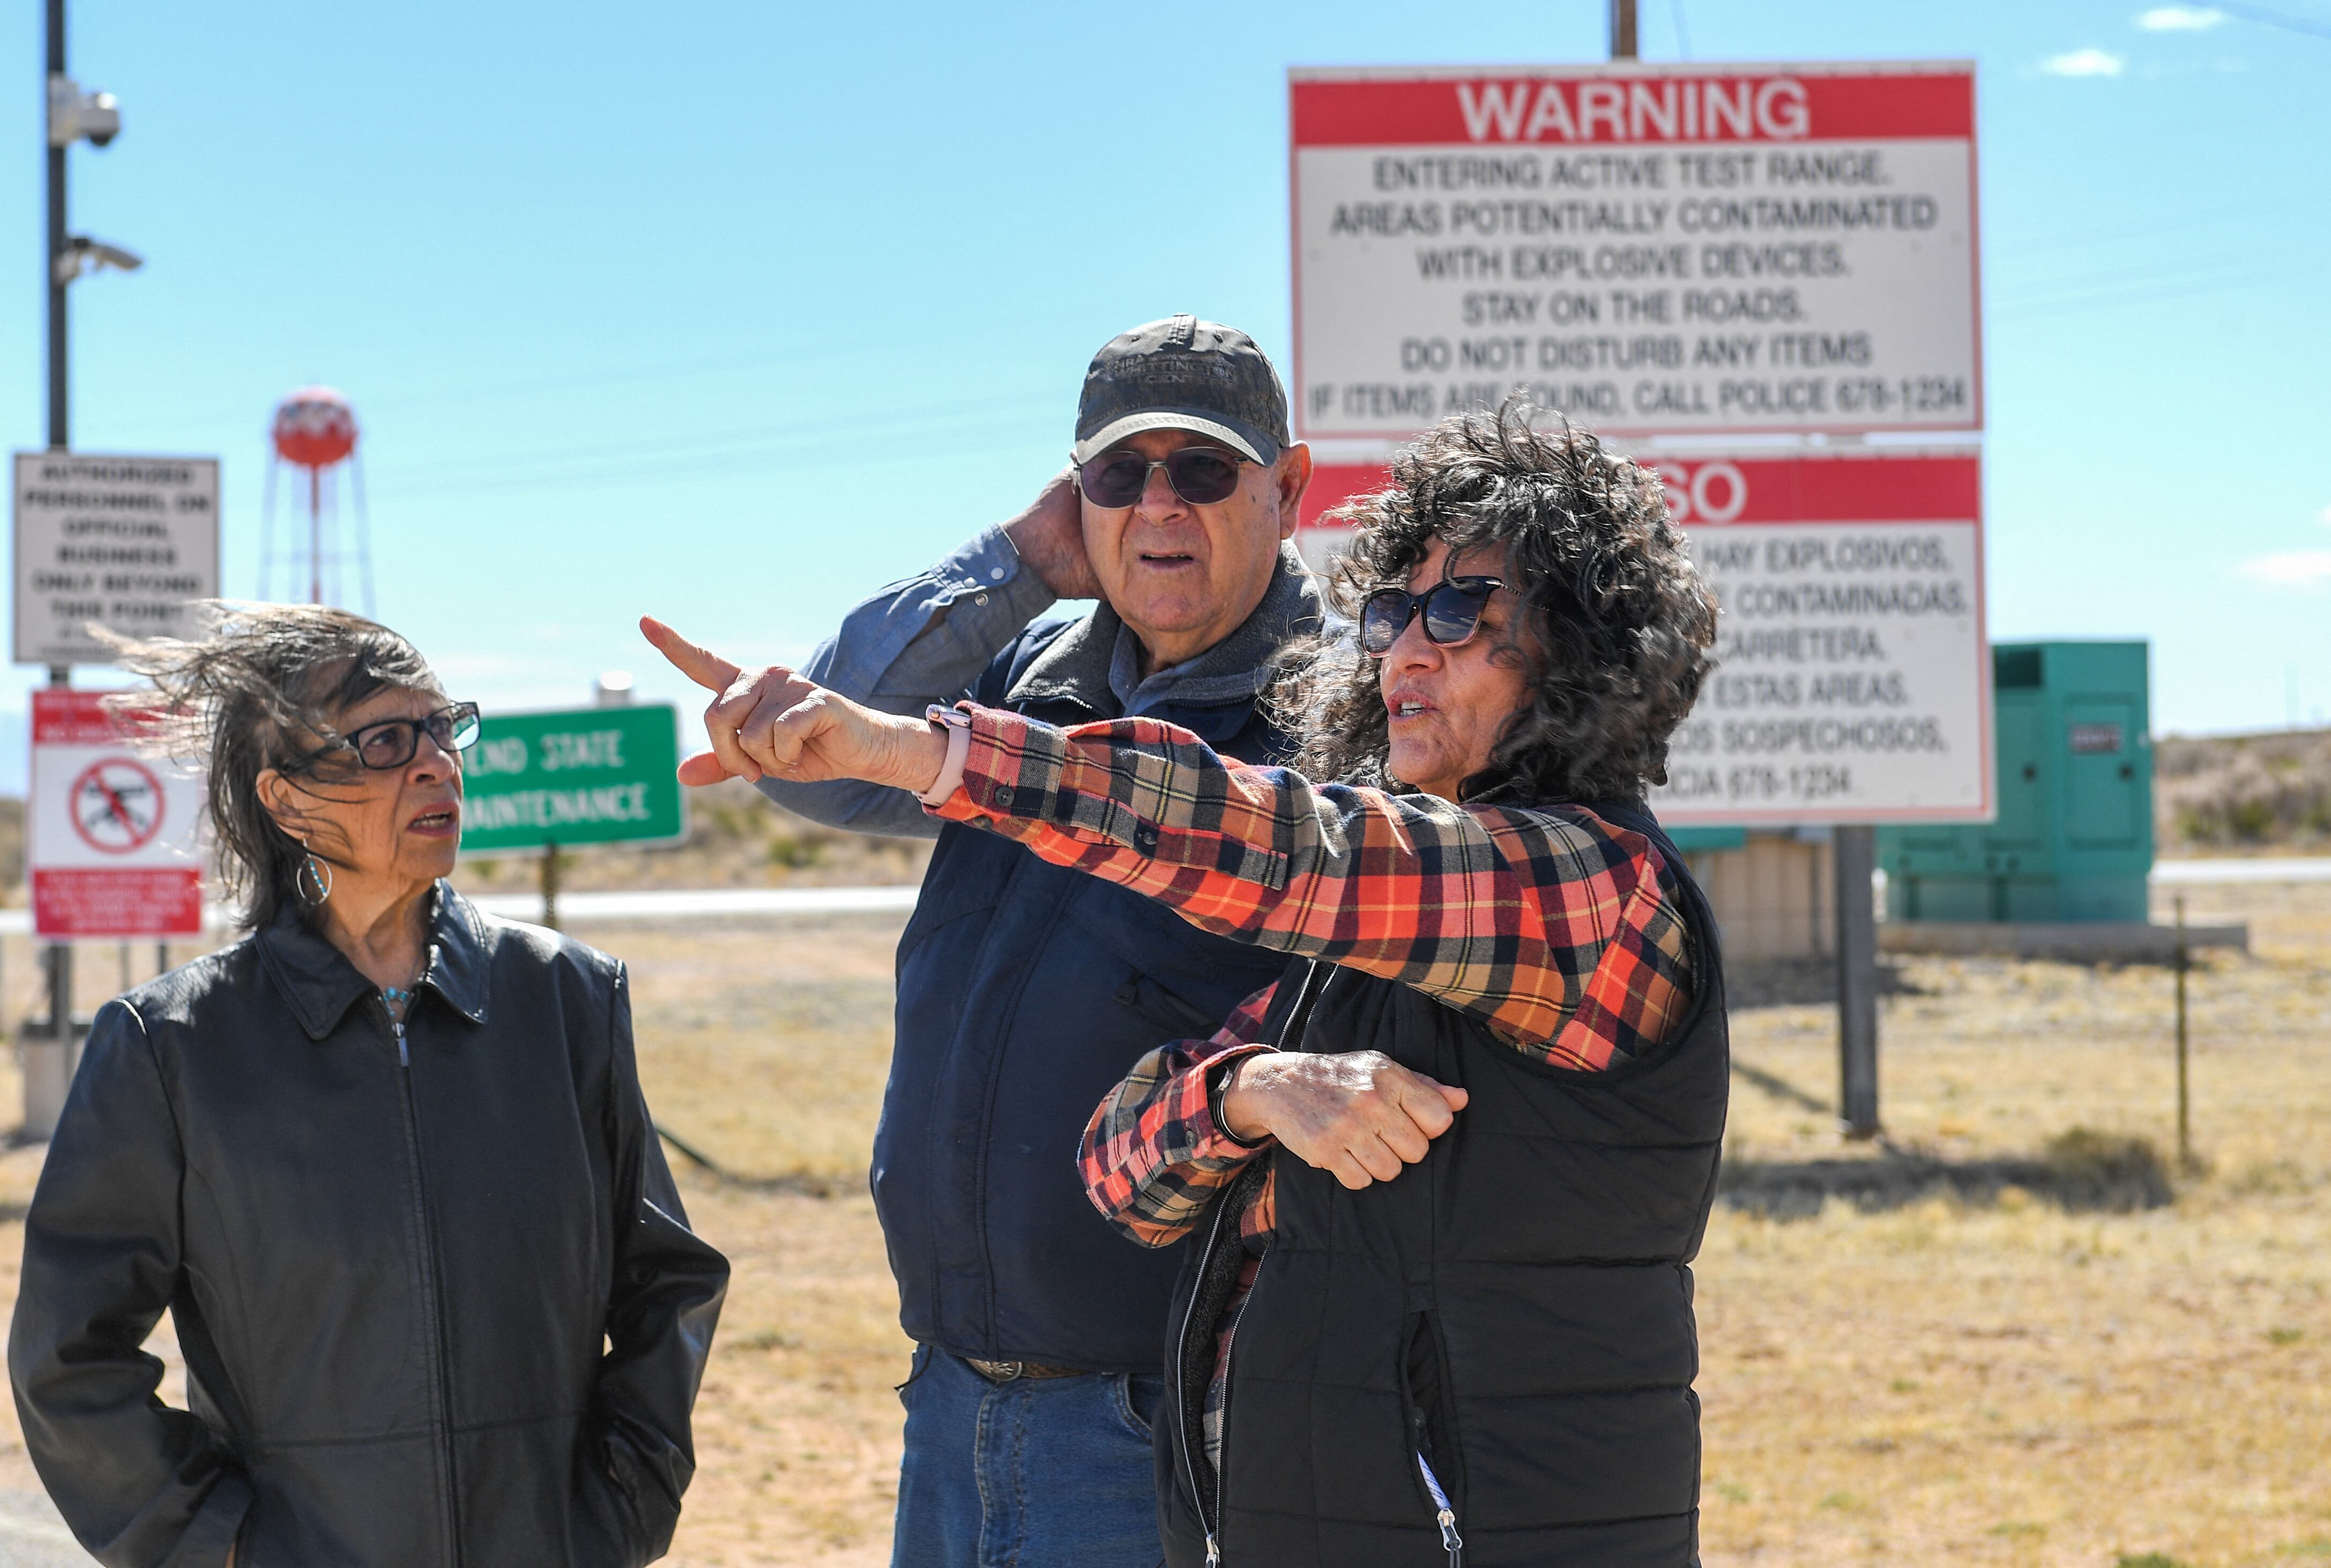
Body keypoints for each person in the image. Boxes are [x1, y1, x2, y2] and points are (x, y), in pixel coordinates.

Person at [645, 399, 1727, 1566]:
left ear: (1578, 648)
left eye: (1464, 613)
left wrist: (916, 750)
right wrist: (1248, 1091)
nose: (1408, 652)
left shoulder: (1595, 895)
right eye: (1393, 612)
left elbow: (1276, 844)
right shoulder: (1372, 947)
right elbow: (1121, 1169)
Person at [746, 314, 1320, 1564]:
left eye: (1202, 468)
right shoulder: (1023, 680)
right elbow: (809, 771)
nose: (1157, 503)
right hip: (951, 1396)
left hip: (1164, 1420)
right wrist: (1015, 562)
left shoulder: (1336, 730)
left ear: (1287, 490)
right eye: (1120, 472)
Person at [9, 605, 728, 1568]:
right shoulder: (172, 1048)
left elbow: (666, 1282)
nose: (436, 764)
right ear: (286, 799)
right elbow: (68, 1354)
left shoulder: (568, 998)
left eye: (443, 728)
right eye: (385, 741)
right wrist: (220, 1545)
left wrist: (620, 1505)